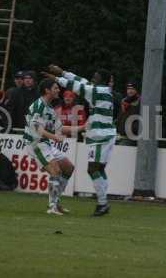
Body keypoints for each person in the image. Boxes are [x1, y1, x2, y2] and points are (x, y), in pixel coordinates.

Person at [45, 65, 116, 216]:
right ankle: (103, 203)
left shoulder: (97, 91)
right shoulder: (98, 89)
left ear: (101, 80)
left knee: (94, 169)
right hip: (103, 135)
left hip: (100, 136)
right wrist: (62, 72)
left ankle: (102, 204)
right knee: (98, 169)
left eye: (96, 77)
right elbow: (79, 80)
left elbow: (75, 86)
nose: (93, 78)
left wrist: (56, 79)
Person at [23, 78, 85, 215]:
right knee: (55, 171)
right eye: (56, 88)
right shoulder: (39, 105)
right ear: (47, 90)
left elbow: (60, 128)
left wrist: (83, 127)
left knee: (68, 168)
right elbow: (36, 129)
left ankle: (55, 203)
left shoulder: (50, 108)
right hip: (35, 144)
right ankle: (52, 207)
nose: (58, 90)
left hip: (45, 143)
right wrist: (54, 137)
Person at [116, 82, 141, 146]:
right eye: (128, 89)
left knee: (122, 147)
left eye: (132, 89)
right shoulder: (124, 101)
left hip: (132, 136)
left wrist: (133, 130)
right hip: (121, 135)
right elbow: (119, 117)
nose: (130, 91)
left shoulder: (140, 102)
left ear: (136, 90)